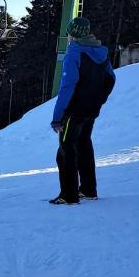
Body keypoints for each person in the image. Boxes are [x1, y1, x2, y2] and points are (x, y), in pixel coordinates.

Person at [49, 16, 116, 205]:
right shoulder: (101, 51)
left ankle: (68, 195)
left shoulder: (74, 52)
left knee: (66, 149)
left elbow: (67, 86)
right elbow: (111, 78)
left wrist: (57, 117)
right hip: (91, 109)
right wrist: (99, 100)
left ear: (72, 34)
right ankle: (88, 190)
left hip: (74, 110)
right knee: (84, 144)